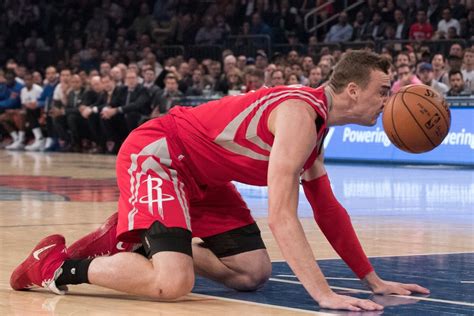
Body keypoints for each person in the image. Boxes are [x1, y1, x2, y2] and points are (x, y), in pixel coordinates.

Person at [11, 51, 429, 312]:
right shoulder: (300, 117)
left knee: (252, 272)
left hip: (204, 179)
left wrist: (371, 279)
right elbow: (283, 216)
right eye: (382, 90)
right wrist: (322, 294)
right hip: (161, 155)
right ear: (353, 90)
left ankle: (139, 234)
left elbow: (327, 209)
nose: (387, 101)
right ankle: (54, 266)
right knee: (172, 284)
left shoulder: (315, 126)